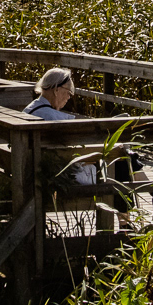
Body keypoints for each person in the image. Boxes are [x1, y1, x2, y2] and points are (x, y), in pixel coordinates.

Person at [22, 68, 137, 210]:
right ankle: (127, 223)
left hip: (36, 170)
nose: (69, 97)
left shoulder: (28, 110)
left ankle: (133, 217)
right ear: (56, 89)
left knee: (125, 158)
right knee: (121, 164)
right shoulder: (57, 119)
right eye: (68, 92)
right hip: (61, 175)